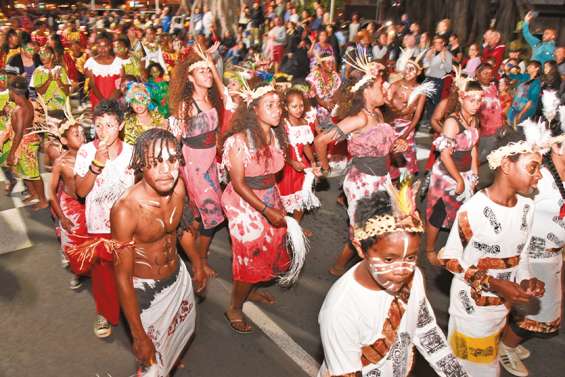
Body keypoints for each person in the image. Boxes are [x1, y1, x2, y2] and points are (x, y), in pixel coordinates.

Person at [318, 182, 470, 377]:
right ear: (359, 247)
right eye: (389, 259)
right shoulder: (340, 310)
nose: (402, 270)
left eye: (411, 257)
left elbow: (425, 331)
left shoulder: (413, 276)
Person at [439, 127, 546, 376]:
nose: (539, 175)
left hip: (500, 311)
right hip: (470, 312)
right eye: (532, 167)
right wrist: (492, 283)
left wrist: (526, 278)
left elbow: (523, 254)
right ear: (507, 165)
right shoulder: (474, 209)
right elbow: (449, 258)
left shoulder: (527, 208)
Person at [111, 128, 206, 376]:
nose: (166, 170)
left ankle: (170, 357)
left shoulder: (178, 188)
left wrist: (197, 263)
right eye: (156, 162)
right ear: (141, 164)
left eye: (172, 160)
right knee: (150, 365)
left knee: (179, 334)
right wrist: (138, 335)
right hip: (146, 294)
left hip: (177, 279)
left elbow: (181, 229)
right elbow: (122, 277)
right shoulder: (125, 210)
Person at [315, 56, 402, 277]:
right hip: (362, 183)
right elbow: (321, 141)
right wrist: (325, 168)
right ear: (366, 91)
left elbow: (380, 140)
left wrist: (395, 144)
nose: (385, 88)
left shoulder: (378, 113)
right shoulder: (359, 119)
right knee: (365, 231)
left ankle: (351, 267)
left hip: (381, 179)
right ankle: (347, 270)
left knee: (379, 228)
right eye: (380, 85)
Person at [221, 82, 291, 333]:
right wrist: (265, 210)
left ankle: (251, 291)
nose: (278, 110)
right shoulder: (237, 142)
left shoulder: (277, 134)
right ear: (254, 109)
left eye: (278, 104)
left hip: (270, 196)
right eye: (269, 105)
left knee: (270, 250)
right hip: (244, 202)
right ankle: (234, 307)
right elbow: (238, 184)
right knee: (250, 255)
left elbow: (274, 171)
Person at [496, 125, 565, 376]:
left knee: (544, 307)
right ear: (556, 146)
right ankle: (505, 347)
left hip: (554, 256)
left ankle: (508, 342)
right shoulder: (539, 178)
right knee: (533, 309)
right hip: (532, 258)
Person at [73, 100, 135, 338]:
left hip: (127, 225)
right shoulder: (87, 151)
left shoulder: (131, 152)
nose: (103, 131)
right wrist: (96, 164)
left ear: (120, 126)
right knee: (103, 273)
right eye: (99, 125)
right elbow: (80, 191)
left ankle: (133, 310)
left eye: (109, 125)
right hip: (98, 223)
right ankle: (105, 312)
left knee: (129, 270)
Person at [169, 47, 224, 278]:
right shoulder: (187, 105)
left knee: (202, 215)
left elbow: (225, 97)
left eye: (208, 71)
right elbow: (175, 139)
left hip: (211, 161)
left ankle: (197, 249)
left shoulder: (212, 98)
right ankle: (198, 260)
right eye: (201, 71)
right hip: (195, 164)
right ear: (190, 78)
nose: (208, 74)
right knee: (211, 215)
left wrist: (212, 63)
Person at [425, 80, 481, 264]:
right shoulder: (452, 122)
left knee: (464, 212)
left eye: (479, 100)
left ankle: (458, 248)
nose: (476, 104)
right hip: (447, 175)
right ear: (461, 98)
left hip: (464, 173)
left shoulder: (474, 119)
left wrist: (474, 173)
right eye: (471, 100)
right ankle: (429, 250)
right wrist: (459, 180)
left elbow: (473, 148)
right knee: (439, 212)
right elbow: (445, 155)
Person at [48, 118, 85, 290]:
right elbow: (51, 192)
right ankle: (78, 271)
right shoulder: (61, 163)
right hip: (71, 206)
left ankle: (96, 269)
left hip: (90, 204)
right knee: (74, 241)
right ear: (64, 140)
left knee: (93, 239)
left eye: (83, 133)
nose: (82, 137)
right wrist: (61, 216)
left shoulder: (93, 155)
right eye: (76, 134)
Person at [277, 89, 319, 235]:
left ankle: (295, 227)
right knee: (283, 202)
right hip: (286, 169)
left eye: (301, 105)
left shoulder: (304, 122)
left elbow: (306, 145)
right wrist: (291, 162)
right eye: (294, 106)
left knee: (301, 200)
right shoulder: (283, 124)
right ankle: (282, 229)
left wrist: (313, 161)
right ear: (286, 107)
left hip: (302, 168)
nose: (299, 109)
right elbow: (279, 149)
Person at [6, 76, 48, 210]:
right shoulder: (25, 103)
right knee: (26, 172)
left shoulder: (20, 110)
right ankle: (34, 193)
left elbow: (18, 132)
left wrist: (12, 153)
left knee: (33, 174)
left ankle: (43, 200)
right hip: (26, 141)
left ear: (14, 92)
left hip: (25, 144)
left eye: (9, 91)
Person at [385, 57, 428, 180]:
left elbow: (417, 117)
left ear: (418, 72)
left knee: (407, 161)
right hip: (391, 127)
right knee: (391, 157)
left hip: (408, 128)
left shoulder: (421, 91)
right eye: (406, 68)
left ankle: (405, 185)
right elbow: (385, 111)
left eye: (412, 69)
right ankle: (392, 182)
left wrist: (404, 136)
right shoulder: (395, 85)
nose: (407, 72)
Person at [84, 32, 124, 109]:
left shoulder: (118, 63)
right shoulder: (90, 63)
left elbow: (120, 85)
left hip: (114, 101)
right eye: (99, 46)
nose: (102, 49)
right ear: (96, 46)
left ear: (110, 46)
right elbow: (93, 85)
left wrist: (110, 102)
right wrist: (103, 101)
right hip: (98, 101)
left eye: (105, 46)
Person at [475, 63, 505, 162]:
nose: (488, 76)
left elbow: (498, 106)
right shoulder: (474, 89)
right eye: (485, 73)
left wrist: (502, 123)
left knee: (486, 155)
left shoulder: (493, 87)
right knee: (475, 156)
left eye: (490, 73)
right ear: (477, 74)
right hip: (480, 129)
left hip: (495, 129)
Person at [31, 46, 71, 111]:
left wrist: (59, 81)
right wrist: (49, 81)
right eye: (41, 53)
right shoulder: (38, 71)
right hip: (45, 109)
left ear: (52, 56)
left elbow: (67, 92)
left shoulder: (60, 69)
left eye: (46, 54)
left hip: (61, 108)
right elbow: (39, 92)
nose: (42, 56)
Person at [423, 35, 453, 120]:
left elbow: (448, 69)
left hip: (438, 80)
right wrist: (427, 57)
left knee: (434, 101)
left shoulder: (447, 54)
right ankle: (425, 119)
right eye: (435, 43)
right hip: (428, 79)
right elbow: (425, 65)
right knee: (426, 100)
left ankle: (432, 121)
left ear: (443, 43)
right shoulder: (431, 52)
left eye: (438, 43)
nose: (436, 45)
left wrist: (444, 60)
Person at [507, 60, 542, 125]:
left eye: (531, 66)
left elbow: (531, 101)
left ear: (537, 69)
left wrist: (521, 114)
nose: (528, 67)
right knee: (509, 123)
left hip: (526, 110)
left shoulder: (537, 84)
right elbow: (512, 76)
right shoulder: (526, 76)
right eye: (528, 66)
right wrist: (510, 68)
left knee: (518, 129)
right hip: (515, 106)